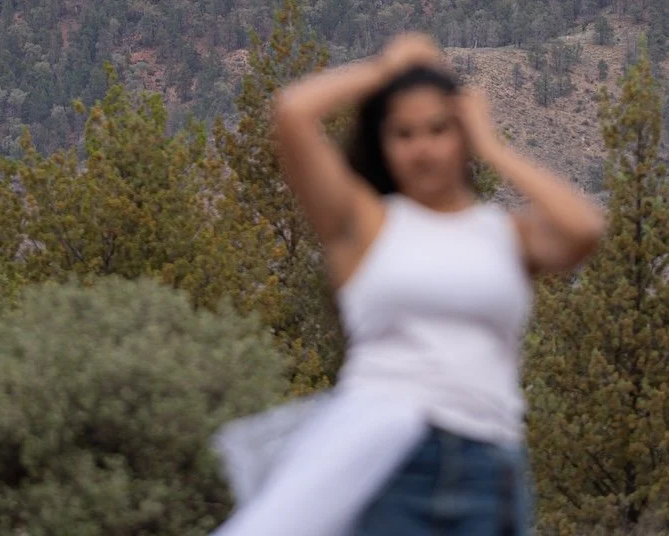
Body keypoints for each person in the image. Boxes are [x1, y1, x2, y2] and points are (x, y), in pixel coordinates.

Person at [214, 31, 605, 536]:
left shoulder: (505, 235)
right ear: (383, 142)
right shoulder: (363, 224)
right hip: (388, 456)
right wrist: (386, 69)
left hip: (489, 458)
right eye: (404, 134)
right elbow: (292, 112)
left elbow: (585, 228)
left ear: (461, 132)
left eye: (439, 129)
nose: (423, 149)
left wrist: (492, 146)